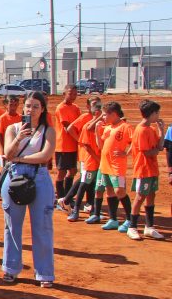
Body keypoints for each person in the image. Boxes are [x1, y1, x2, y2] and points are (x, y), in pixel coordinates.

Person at [0, 92, 57, 287]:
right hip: (14, 176)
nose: (30, 110)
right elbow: (7, 153)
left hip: (38, 176)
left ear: (42, 109)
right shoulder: (12, 128)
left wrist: (19, 159)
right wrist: (18, 139)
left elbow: (45, 156)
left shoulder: (48, 131)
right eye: (28, 106)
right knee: (11, 225)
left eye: (35, 107)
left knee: (42, 226)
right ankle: (10, 268)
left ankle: (44, 273)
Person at [126, 100, 165, 240]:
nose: (158, 115)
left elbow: (159, 147)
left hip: (152, 169)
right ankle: (132, 227)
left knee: (151, 195)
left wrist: (161, 130)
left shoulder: (151, 129)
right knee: (140, 196)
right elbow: (147, 152)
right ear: (151, 114)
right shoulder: (141, 130)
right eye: (157, 113)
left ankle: (149, 227)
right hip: (143, 170)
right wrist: (157, 150)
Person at [94, 102, 134, 232]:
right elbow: (100, 146)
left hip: (117, 165)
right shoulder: (108, 128)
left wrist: (126, 153)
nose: (103, 117)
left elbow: (135, 141)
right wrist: (96, 131)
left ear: (114, 114)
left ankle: (129, 219)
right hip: (105, 164)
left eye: (105, 114)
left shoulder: (125, 127)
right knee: (110, 191)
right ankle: (113, 219)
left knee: (119, 191)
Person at [64, 97, 102, 221]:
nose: (97, 107)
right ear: (88, 106)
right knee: (85, 182)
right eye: (94, 104)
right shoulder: (86, 120)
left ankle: (90, 207)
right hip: (88, 156)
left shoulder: (102, 120)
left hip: (97, 157)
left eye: (99, 104)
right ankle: (69, 202)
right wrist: (80, 141)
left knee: (90, 183)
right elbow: (70, 129)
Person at [54, 84, 82, 204]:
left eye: (75, 94)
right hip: (63, 145)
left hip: (73, 145)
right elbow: (67, 126)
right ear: (64, 94)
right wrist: (79, 139)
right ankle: (61, 197)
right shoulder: (61, 108)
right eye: (70, 93)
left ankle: (67, 196)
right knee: (61, 172)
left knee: (72, 171)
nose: (73, 96)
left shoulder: (76, 108)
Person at [0, 95, 23, 203]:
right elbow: (0, 136)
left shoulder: (21, 117)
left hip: (17, 150)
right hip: (4, 149)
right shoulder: (2, 118)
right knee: (3, 170)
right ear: (6, 105)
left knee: (14, 170)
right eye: (11, 104)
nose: (13, 107)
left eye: (15, 105)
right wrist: (2, 151)